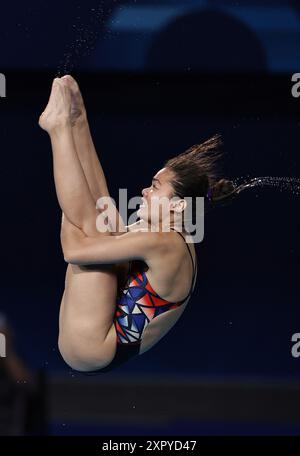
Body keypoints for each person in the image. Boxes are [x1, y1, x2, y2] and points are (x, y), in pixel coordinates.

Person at [38, 75, 235, 373]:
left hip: (90, 347)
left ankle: (58, 130)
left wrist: (70, 218)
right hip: (101, 337)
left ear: (178, 205)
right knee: (103, 217)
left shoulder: (166, 242)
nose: (144, 191)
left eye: (155, 187)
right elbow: (102, 200)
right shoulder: (170, 236)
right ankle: (70, 126)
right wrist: (81, 122)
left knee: (94, 229)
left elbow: (74, 251)